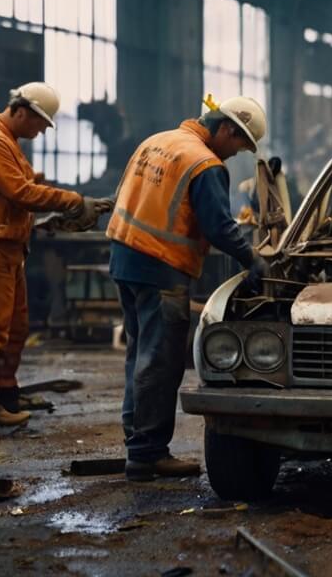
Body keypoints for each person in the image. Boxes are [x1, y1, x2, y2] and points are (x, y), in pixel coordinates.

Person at [107, 96, 271, 482]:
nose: (235, 155)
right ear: (227, 130)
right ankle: (148, 455)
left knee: (139, 354)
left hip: (124, 258)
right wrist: (252, 259)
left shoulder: (157, 141)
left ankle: (137, 440)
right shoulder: (205, 163)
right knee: (160, 362)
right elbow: (218, 226)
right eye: (239, 146)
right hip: (160, 267)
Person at [0, 83, 109, 426]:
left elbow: (19, 191)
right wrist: (71, 201)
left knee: (15, 325)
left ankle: (5, 394)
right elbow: (20, 192)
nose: (41, 130)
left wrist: (46, 219)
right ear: (21, 111)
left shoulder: (5, 141)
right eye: (40, 123)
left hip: (5, 243)